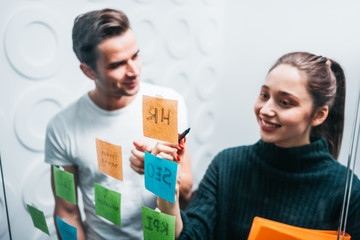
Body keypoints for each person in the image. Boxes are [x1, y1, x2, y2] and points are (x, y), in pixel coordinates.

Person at [153, 52, 360, 239]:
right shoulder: (226, 165)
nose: (266, 110)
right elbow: (192, 236)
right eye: (264, 95)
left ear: (318, 115)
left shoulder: (346, 188)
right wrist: (168, 196)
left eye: (285, 102)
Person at [44, 8, 193, 240]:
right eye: (117, 65)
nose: (133, 71)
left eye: (135, 55)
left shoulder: (166, 104)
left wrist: (158, 172)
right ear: (88, 71)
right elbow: (67, 211)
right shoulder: (62, 127)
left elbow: (185, 195)